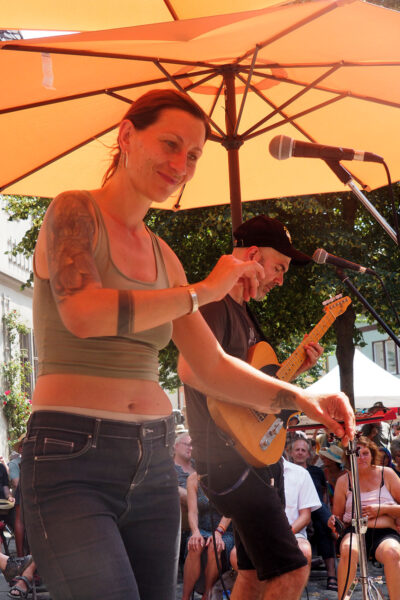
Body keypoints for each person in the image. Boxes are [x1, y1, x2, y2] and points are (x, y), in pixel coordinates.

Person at [19, 88, 354, 600]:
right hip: (72, 458)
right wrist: (201, 292)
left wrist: (304, 399)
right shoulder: (74, 212)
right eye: (170, 144)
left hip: (153, 462)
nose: (181, 164)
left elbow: (214, 366)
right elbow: (83, 312)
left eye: (194, 155)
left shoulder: (164, 256)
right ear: (127, 136)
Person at [178, 215, 355, 600]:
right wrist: (292, 396)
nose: (280, 279)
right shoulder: (214, 303)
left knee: (255, 573)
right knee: (293, 569)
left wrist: (292, 375)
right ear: (253, 254)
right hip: (229, 463)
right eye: (279, 267)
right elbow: (192, 370)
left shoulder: (245, 314)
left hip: (250, 461)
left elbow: (253, 394)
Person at [328, 435, 400, 599]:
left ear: (373, 454)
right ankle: (343, 598)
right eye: (356, 453)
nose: (361, 458)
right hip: (354, 530)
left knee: (393, 552)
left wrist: (381, 510)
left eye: (365, 453)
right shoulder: (344, 480)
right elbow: (337, 516)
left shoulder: (386, 474)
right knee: (348, 550)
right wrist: (333, 521)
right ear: (349, 457)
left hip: (384, 532)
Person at [290, 437, 338, 591]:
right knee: (324, 523)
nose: (300, 453)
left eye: (303, 450)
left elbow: (323, 495)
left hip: (315, 508)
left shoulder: (316, 472)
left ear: (309, 454)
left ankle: (332, 575)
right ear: (291, 453)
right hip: (295, 511)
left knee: (323, 527)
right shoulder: (286, 472)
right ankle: (336, 528)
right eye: (297, 450)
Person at [182, 472, 234, 600]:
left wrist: (218, 532)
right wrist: (195, 532)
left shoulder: (231, 476)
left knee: (214, 547)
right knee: (195, 545)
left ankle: (207, 595)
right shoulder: (193, 479)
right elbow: (192, 512)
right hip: (202, 529)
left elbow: (230, 511)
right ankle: (185, 597)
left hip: (225, 532)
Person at [282, 458, 321, 567]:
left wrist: (283, 535)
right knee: (235, 554)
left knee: (304, 550)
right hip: (261, 533)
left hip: (293, 533)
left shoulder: (300, 473)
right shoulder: (252, 471)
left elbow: (305, 517)